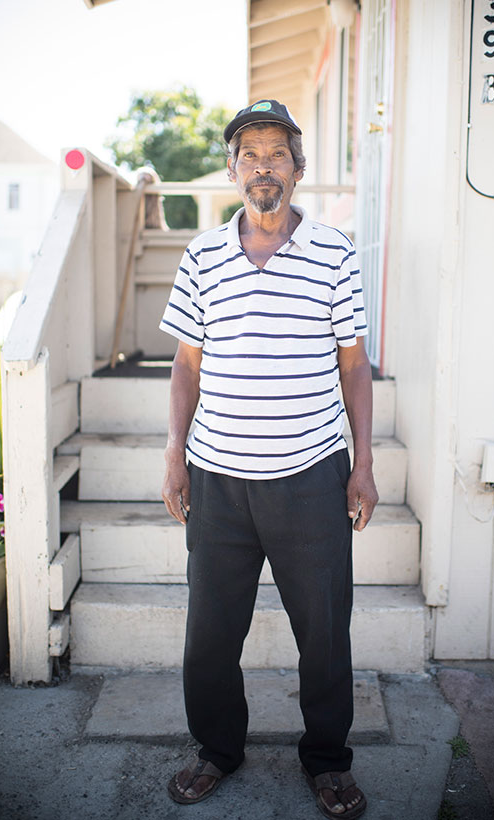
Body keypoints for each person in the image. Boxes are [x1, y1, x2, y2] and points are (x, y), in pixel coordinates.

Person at [160, 99, 379, 819]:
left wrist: (362, 460)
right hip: (218, 478)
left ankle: (326, 760)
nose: (263, 166)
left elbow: (353, 364)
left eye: (276, 153)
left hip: (311, 475)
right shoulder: (202, 255)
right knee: (210, 632)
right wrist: (174, 451)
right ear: (232, 168)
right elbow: (186, 365)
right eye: (249, 154)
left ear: (298, 168)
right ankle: (217, 749)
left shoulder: (334, 251)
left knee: (323, 633)